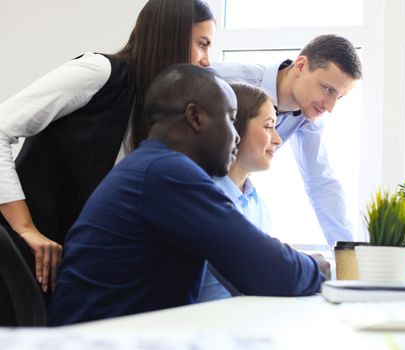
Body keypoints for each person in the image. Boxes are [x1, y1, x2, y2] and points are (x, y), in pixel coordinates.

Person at [48, 64, 330, 325]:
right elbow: (271, 273)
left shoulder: (154, 167)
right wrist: (319, 268)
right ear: (195, 117)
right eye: (231, 120)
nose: (236, 136)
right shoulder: (167, 174)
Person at [0, 0, 215, 295]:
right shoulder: (99, 72)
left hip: (66, 264)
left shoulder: (153, 112)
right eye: (202, 44)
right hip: (19, 248)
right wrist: (24, 228)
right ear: (171, 36)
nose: (207, 60)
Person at [213, 34, 363, 247]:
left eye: (338, 97)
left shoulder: (309, 115)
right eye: (328, 89)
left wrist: (347, 254)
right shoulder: (225, 81)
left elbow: (321, 182)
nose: (330, 107)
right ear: (301, 66)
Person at [197, 83, 282, 302]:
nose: (277, 139)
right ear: (235, 128)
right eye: (268, 126)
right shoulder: (205, 196)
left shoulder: (258, 205)